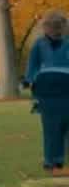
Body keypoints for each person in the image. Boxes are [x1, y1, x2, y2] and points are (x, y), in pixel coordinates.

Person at [25, 10, 69, 176]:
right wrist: (28, 79)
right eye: (52, 27)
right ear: (45, 28)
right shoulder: (39, 44)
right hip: (46, 91)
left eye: (58, 27)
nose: (55, 31)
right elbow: (32, 64)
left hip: (66, 90)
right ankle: (51, 162)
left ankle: (61, 161)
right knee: (51, 128)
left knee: (65, 126)